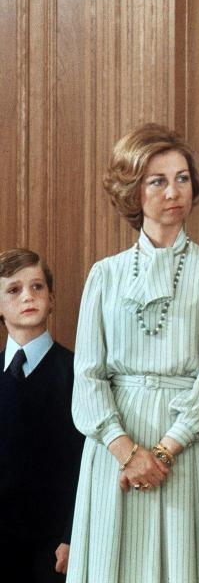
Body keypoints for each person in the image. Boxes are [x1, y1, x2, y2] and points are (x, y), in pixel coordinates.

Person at [67, 123, 199, 582]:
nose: (173, 192)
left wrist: (164, 452)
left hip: (186, 445)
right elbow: (88, 374)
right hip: (114, 447)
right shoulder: (105, 275)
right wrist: (125, 451)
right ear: (133, 191)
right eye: (157, 181)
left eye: (182, 178)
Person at [0, 249, 84, 582]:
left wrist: (73, 534)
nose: (28, 296)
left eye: (37, 287)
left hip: (55, 547)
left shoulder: (77, 373)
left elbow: (87, 463)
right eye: (14, 289)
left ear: (52, 299)